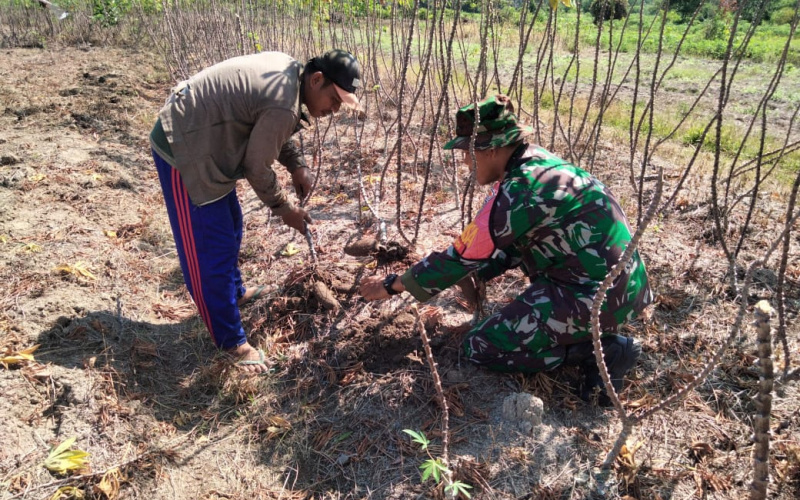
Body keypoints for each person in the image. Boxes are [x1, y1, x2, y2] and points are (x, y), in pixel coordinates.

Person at [360, 94, 653, 405]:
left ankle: (603, 350)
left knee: (482, 346)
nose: (465, 163)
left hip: (595, 298)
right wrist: (481, 272)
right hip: (626, 288)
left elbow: (460, 255)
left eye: (468, 152)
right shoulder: (539, 165)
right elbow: (515, 242)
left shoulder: (519, 190)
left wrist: (391, 286)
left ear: (492, 149)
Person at [150, 50, 362, 373]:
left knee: (232, 225)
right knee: (211, 247)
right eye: (334, 100)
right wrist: (284, 209)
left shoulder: (289, 76)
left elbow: (268, 126)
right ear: (317, 80)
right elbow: (256, 167)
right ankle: (230, 343)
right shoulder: (283, 99)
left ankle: (234, 293)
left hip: (208, 142)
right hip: (183, 144)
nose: (333, 110)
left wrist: (296, 165)